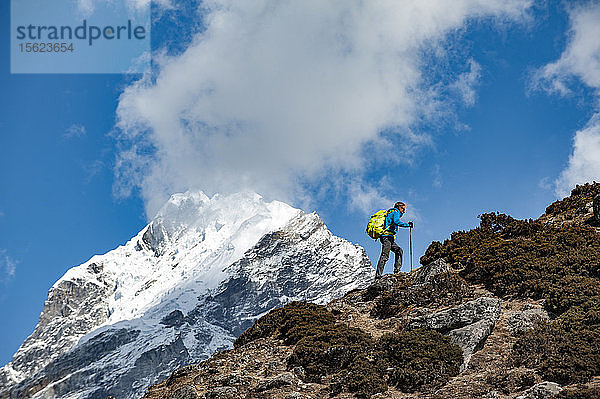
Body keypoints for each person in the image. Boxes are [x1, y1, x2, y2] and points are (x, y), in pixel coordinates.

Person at [375, 201, 413, 278]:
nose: (404, 211)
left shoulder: (391, 213)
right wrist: (407, 225)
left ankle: (397, 271)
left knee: (399, 251)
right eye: (403, 209)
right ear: (398, 207)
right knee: (385, 255)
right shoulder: (396, 212)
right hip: (387, 237)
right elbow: (396, 222)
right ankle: (378, 275)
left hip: (388, 237)